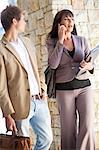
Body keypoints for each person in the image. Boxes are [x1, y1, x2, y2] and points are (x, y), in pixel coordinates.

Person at [0, 5, 53, 150]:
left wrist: (43, 87)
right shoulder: (1, 49)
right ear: (14, 21)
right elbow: (1, 86)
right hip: (19, 105)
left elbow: (38, 68)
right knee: (22, 145)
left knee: (47, 139)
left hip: (39, 100)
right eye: (23, 19)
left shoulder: (27, 42)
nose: (25, 23)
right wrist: (8, 114)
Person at [46, 9, 95, 150]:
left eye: (72, 19)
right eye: (67, 19)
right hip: (64, 89)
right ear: (59, 23)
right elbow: (53, 64)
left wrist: (89, 65)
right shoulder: (52, 42)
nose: (70, 22)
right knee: (68, 129)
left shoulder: (82, 40)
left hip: (84, 86)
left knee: (87, 125)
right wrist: (60, 41)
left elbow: (92, 62)